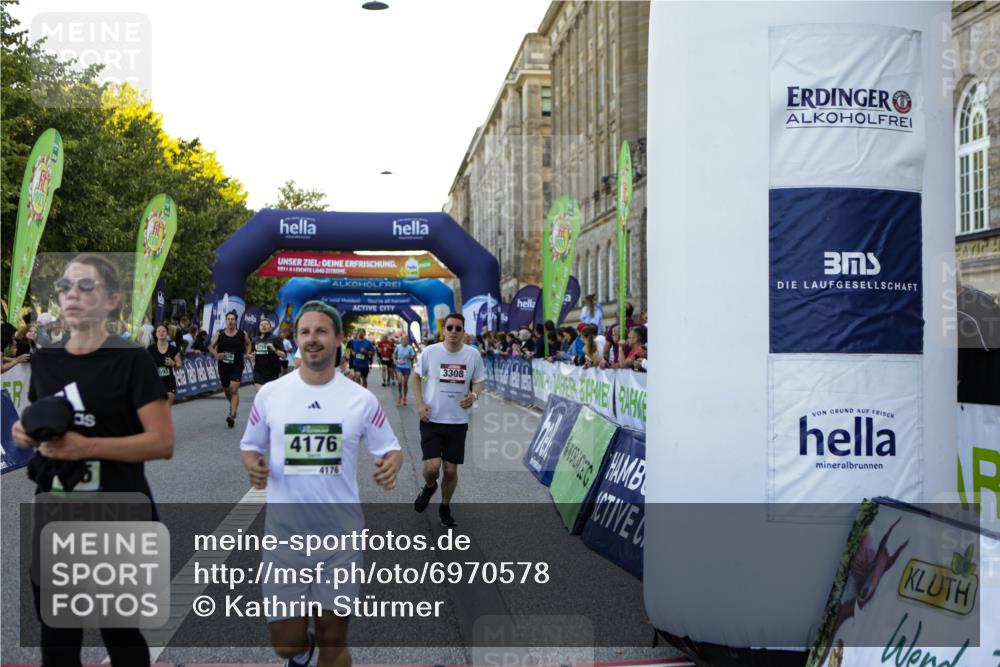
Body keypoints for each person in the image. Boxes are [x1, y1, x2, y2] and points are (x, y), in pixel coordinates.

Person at [11, 253, 174, 667]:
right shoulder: (46, 359)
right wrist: (24, 433)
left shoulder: (132, 359)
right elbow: (43, 421)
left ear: (113, 299)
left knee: (119, 634)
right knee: (58, 641)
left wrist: (87, 447)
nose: (72, 295)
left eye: (86, 287)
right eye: (65, 286)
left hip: (119, 513)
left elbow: (161, 442)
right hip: (57, 514)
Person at [239, 300, 401, 667]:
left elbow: (390, 448)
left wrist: (390, 465)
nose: (312, 339)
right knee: (287, 644)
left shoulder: (360, 399)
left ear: (338, 338)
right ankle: (300, 656)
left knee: (333, 638)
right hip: (285, 539)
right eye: (305, 332)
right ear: (295, 338)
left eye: (321, 331)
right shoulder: (271, 394)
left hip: (340, 539)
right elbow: (249, 445)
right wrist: (254, 464)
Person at [411, 312, 486, 527]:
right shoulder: (430, 352)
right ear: (444, 330)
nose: (453, 332)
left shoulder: (472, 355)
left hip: (457, 421)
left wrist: (474, 395)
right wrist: (420, 405)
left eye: (458, 328)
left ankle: (444, 506)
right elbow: (416, 378)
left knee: (451, 470)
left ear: (464, 332)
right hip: (431, 419)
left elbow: (479, 381)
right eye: (450, 327)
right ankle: (429, 486)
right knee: (432, 467)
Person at [209, 311, 252, 428]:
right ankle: (232, 406)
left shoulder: (242, 334)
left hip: (237, 364)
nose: (230, 321)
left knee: (233, 389)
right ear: (226, 320)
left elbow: (248, 344)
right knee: (227, 390)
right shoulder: (220, 334)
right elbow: (210, 347)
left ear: (236, 321)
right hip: (223, 366)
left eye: (233, 319)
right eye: (228, 319)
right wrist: (217, 355)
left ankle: (232, 415)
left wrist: (247, 353)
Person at [147, 323, 182, 406]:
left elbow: (179, 365)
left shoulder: (173, 349)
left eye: (163, 331)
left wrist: (173, 363)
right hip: (155, 382)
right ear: (156, 334)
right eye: (158, 331)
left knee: (166, 406)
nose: (161, 333)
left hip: (169, 382)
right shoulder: (150, 349)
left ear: (167, 333)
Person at [252, 318, 286, 389]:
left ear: (270, 328)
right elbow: (252, 353)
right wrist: (252, 355)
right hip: (258, 371)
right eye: (261, 324)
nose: (263, 326)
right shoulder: (255, 340)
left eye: (266, 324)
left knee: (270, 395)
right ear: (259, 327)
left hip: (272, 372)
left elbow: (284, 355)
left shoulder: (276, 338)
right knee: (261, 393)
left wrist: (274, 349)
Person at [393, 337, 416, 406]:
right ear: (401, 340)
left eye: (406, 340)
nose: (405, 341)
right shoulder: (398, 347)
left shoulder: (410, 348)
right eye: (403, 340)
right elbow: (394, 354)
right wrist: (394, 360)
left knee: (405, 383)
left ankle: (405, 397)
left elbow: (413, 356)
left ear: (408, 341)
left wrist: (409, 357)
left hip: (407, 367)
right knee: (399, 382)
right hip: (399, 366)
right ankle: (400, 394)